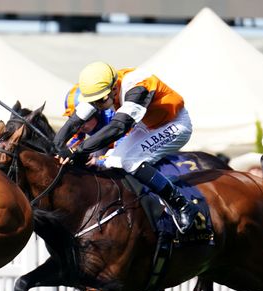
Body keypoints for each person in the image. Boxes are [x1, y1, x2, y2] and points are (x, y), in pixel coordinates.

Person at [54, 61, 200, 233]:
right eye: (94, 103)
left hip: (175, 124)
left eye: (100, 102)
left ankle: (181, 204)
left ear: (114, 89)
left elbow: (118, 127)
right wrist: (58, 145)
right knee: (113, 161)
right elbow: (74, 122)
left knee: (130, 161)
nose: (98, 107)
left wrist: (78, 151)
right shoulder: (100, 93)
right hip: (149, 124)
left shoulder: (137, 86)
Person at [61, 83, 116, 166]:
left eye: (84, 120)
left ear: (97, 112)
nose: (80, 126)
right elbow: (76, 139)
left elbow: (123, 151)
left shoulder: (113, 118)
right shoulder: (79, 122)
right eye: (77, 120)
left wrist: (99, 161)